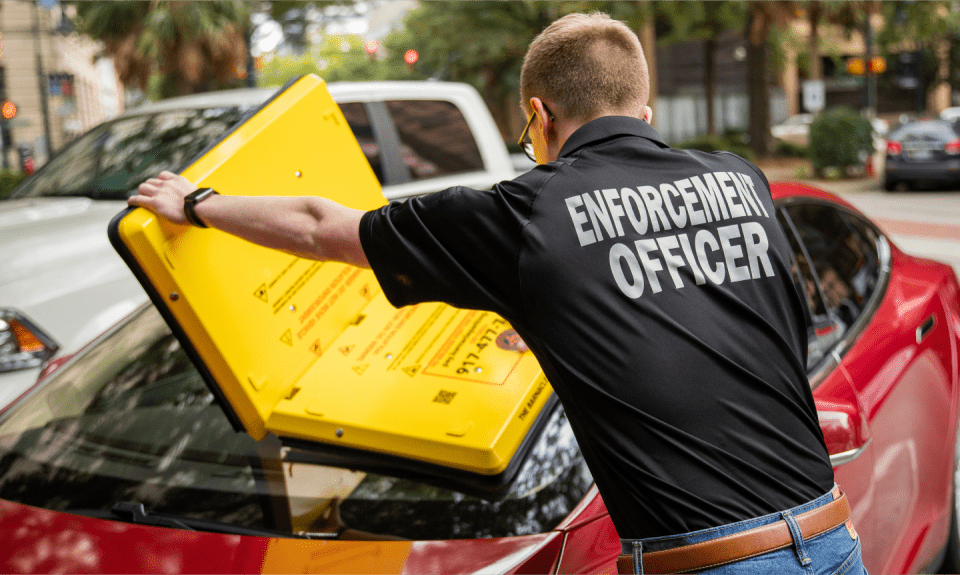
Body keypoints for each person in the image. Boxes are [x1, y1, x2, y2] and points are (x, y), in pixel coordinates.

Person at [130, 13, 865, 575]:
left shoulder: (522, 215)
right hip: (834, 538)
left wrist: (196, 204)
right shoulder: (742, 180)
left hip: (708, 561)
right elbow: (742, 324)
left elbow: (324, 226)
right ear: (645, 114)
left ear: (539, 118)